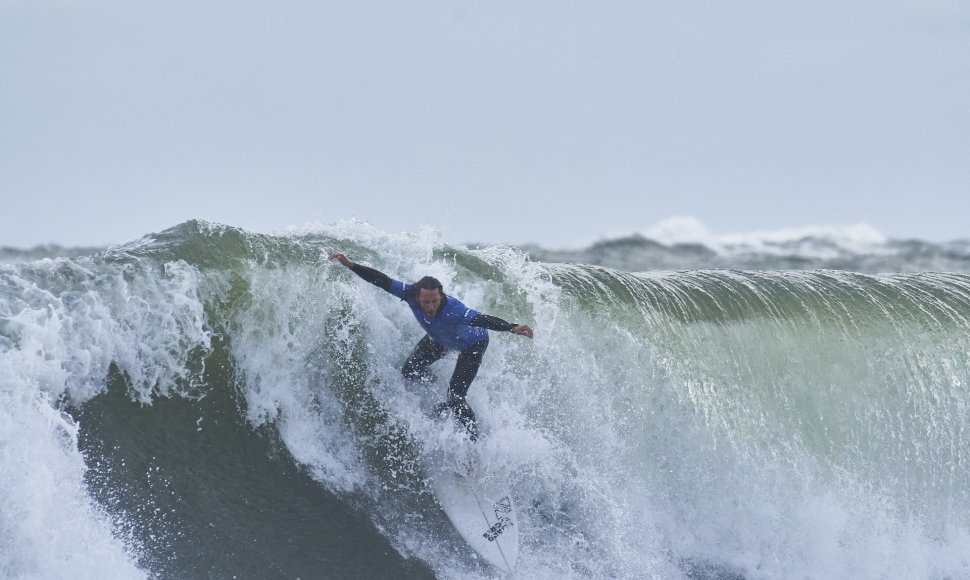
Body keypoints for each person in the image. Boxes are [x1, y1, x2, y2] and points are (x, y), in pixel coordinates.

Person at [328, 253, 534, 439]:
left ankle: (474, 442)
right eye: (426, 302)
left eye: (435, 301)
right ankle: (440, 393)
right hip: (439, 339)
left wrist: (511, 327)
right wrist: (352, 265)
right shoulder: (408, 294)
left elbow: (481, 319)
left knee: (456, 396)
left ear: (441, 297)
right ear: (417, 297)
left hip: (473, 345)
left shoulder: (454, 310)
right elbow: (383, 281)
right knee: (409, 371)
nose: (430, 306)